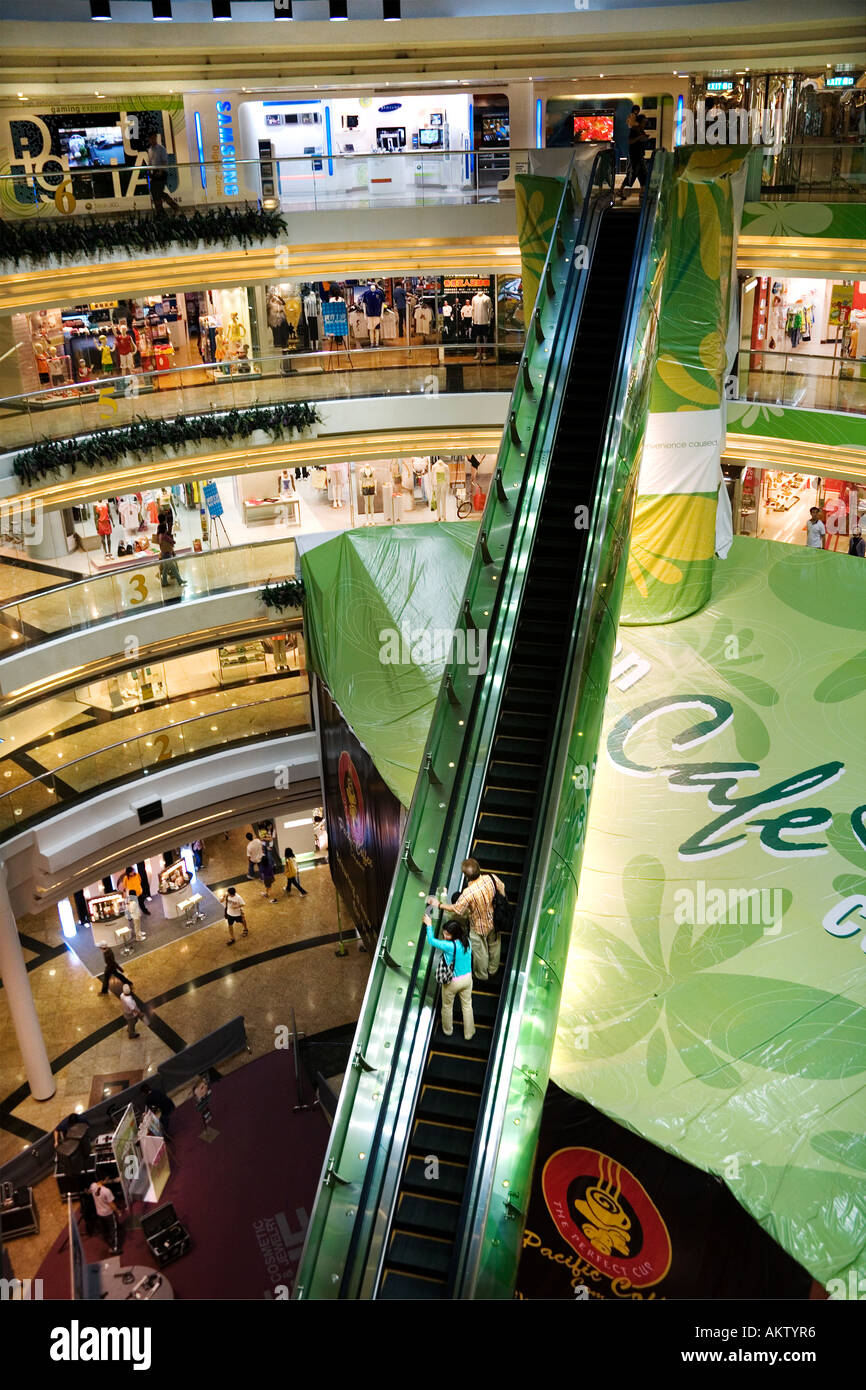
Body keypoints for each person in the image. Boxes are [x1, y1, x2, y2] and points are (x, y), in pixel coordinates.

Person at [429, 857, 506, 981]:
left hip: (478, 927)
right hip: (495, 920)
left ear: (466, 876)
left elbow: (456, 909)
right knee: (495, 944)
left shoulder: (468, 893)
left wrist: (439, 904)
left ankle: (482, 975)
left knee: (480, 953)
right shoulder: (491, 878)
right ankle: (493, 969)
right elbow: (502, 888)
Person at [423, 909, 475, 1040]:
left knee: (447, 1006)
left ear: (454, 935)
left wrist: (429, 925)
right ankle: (469, 1033)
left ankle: (447, 1031)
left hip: (453, 982)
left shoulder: (449, 946)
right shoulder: (467, 941)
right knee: (467, 1006)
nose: (445, 936)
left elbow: (431, 941)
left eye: (447, 934)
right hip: (468, 979)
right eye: (444, 933)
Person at [146, 132, 181, 215]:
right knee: (155, 192)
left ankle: (173, 207)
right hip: (154, 173)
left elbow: (164, 162)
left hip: (162, 172)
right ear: (149, 139)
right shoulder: (150, 150)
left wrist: (161, 171)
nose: (153, 140)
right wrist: (149, 172)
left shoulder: (161, 149)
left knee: (158, 191)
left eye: (155, 138)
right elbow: (150, 163)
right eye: (152, 138)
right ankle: (161, 211)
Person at [620, 110, 648, 199]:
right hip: (635, 156)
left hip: (639, 155)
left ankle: (642, 191)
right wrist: (640, 138)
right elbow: (630, 141)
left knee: (642, 174)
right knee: (633, 174)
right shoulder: (634, 131)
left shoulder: (641, 131)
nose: (645, 124)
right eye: (644, 122)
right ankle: (621, 190)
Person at [89, 1179, 123, 1251]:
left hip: (99, 1213)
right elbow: (112, 1205)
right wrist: (118, 1211)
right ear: (104, 1180)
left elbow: (89, 1191)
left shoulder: (93, 1186)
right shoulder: (106, 1191)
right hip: (108, 1214)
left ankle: (109, 1242)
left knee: (105, 1229)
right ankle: (115, 1248)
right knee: (113, 1229)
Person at [157, 521, 185, 587]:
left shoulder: (159, 536)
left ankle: (164, 582)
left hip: (164, 554)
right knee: (174, 568)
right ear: (164, 529)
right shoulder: (165, 536)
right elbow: (173, 542)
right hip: (168, 555)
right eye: (166, 528)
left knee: (165, 569)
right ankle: (179, 580)